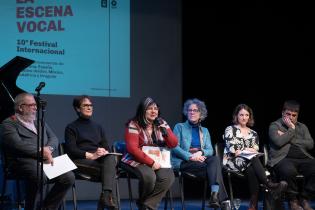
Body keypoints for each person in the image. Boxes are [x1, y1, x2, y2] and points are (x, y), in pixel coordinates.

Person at [1, 92, 75, 210]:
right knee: (39, 175)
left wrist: (49, 149)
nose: (36, 108)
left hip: (43, 159)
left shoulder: (39, 122)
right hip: (21, 161)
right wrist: (41, 151)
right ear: (20, 107)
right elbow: (17, 145)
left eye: (36, 105)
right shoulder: (8, 124)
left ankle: (47, 208)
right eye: (32, 105)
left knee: (68, 176)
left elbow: (54, 138)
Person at [223, 103, 287, 210]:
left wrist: (244, 150)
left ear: (249, 117)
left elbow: (255, 149)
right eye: (241, 115)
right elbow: (233, 149)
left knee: (252, 167)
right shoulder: (230, 129)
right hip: (232, 161)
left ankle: (253, 205)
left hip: (249, 162)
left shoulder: (253, 133)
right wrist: (246, 150)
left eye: (246, 115)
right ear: (236, 116)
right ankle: (268, 184)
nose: (244, 118)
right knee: (253, 158)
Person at [171, 98, 230, 209]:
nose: (192, 112)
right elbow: (175, 147)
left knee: (215, 159)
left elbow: (210, 150)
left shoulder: (205, 130)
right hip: (183, 161)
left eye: (195, 110)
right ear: (186, 112)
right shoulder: (179, 127)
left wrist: (200, 152)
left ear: (201, 113)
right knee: (215, 169)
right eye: (190, 110)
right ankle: (222, 200)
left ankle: (215, 196)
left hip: (200, 159)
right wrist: (191, 156)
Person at [120, 96, 178, 210]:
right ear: (143, 110)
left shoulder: (161, 122)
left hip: (157, 159)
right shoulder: (134, 124)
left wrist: (165, 132)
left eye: (155, 108)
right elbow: (133, 149)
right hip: (135, 159)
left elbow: (173, 144)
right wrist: (151, 163)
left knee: (168, 177)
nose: (153, 111)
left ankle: (148, 205)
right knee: (149, 177)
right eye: (149, 108)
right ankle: (144, 204)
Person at [64, 95, 118, 210]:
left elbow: (106, 146)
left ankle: (106, 196)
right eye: (85, 105)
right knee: (110, 172)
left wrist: (103, 151)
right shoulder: (71, 127)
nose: (89, 108)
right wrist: (91, 155)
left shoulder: (98, 127)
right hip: (78, 161)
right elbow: (71, 150)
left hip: (98, 162)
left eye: (91, 105)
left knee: (110, 158)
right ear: (78, 109)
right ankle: (108, 200)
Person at [268, 100, 315, 210]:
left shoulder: (302, 127)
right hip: (283, 158)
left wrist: (288, 137)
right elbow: (279, 142)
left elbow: (310, 144)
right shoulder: (275, 126)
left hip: (303, 158)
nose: (291, 117)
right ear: (282, 113)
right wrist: (291, 129)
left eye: (294, 115)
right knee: (289, 171)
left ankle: (304, 198)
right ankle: (293, 200)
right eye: (288, 114)